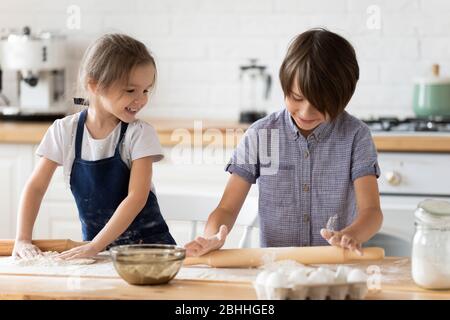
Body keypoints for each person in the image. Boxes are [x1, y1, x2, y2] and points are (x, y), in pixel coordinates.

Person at [185, 28, 383, 257]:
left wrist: (353, 234)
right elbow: (226, 209)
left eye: (320, 104)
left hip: (335, 266)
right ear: (284, 85)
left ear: (343, 98)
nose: (306, 111)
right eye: (297, 98)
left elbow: (372, 212)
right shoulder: (261, 134)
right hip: (275, 269)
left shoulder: (356, 136)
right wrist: (213, 237)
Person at [13, 34, 175, 260]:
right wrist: (22, 238)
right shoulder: (64, 132)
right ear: (95, 85)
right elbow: (35, 187)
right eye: (130, 90)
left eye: (146, 90)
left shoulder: (139, 134)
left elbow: (136, 198)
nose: (141, 99)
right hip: (99, 254)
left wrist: (95, 246)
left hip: (148, 252)